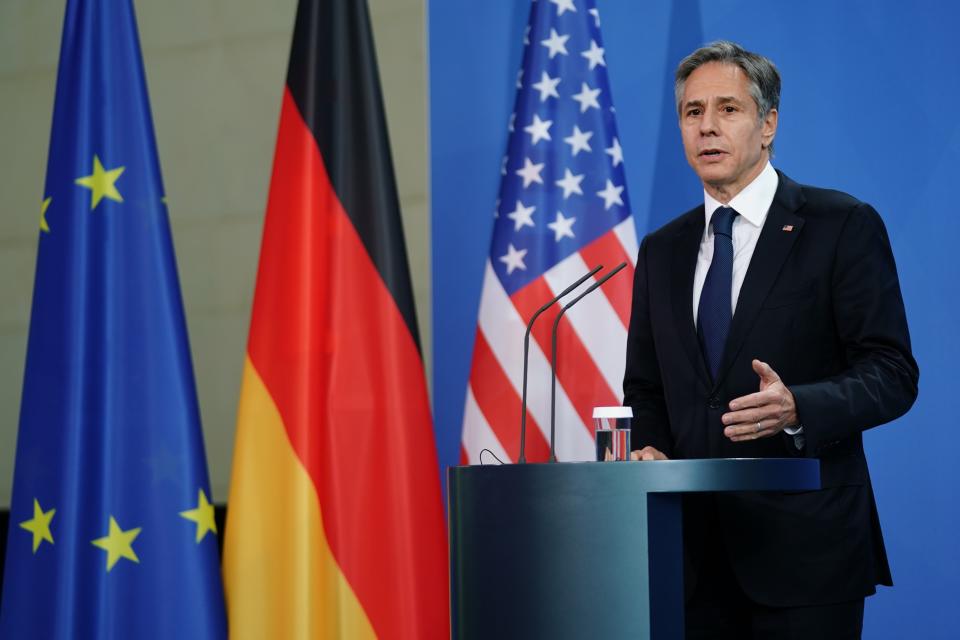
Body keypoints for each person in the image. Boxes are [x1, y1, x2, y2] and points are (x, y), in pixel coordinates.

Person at [623, 40, 918, 639]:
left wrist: (798, 407)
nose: (707, 127)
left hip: (804, 555)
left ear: (768, 124)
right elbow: (647, 386)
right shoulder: (662, 250)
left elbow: (892, 372)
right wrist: (647, 445)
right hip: (689, 562)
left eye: (728, 109)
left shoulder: (839, 225)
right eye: (692, 111)